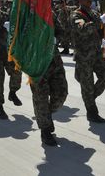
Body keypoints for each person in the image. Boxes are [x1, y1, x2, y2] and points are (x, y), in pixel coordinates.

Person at [70, 0, 105, 123]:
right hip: (84, 56)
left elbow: (100, 29)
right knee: (87, 85)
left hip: (97, 54)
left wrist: (104, 39)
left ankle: (89, 97)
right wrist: (100, 21)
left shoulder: (94, 13)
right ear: (80, 0)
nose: (90, 0)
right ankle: (91, 112)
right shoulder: (76, 15)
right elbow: (83, 28)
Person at [30, 16, 68, 146]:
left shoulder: (48, 12)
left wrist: (56, 39)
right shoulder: (23, 11)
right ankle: (45, 130)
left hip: (54, 60)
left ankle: (46, 115)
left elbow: (60, 31)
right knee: (40, 97)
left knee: (61, 93)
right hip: (36, 61)